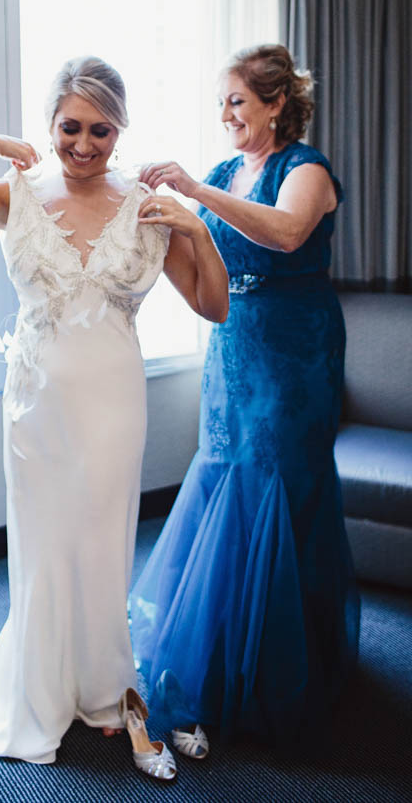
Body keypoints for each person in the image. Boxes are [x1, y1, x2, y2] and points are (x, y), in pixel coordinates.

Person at [0, 55, 228, 772]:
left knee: (102, 547)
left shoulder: (145, 204)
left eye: (101, 130)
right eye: (70, 126)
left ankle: (105, 689)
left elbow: (215, 305)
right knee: (44, 550)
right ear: (50, 123)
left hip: (114, 407)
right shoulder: (19, 194)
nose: (83, 144)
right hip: (37, 408)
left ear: (120, 130)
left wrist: (195, 230)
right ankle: (41, 691)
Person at [130, 44, 360, 755]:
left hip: (296, 347)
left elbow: (287, 235)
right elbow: (210, 251)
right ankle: (225, 652)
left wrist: (197, 194)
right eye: (221, 103)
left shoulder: (306, 169)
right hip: (234, 342)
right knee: (226, 478)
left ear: (275, 104)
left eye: (236, 101)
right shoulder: (232, 171)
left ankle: (289, 664)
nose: (226, 114)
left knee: (280, 487)